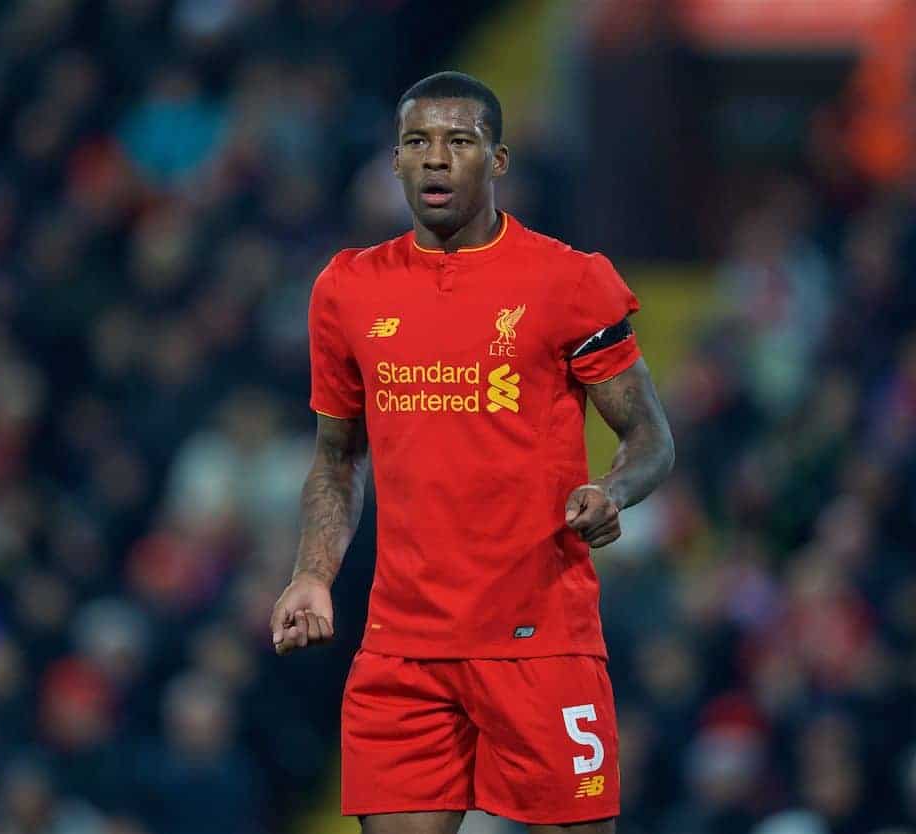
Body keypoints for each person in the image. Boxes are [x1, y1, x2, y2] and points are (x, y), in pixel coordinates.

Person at [269, 72, 675, 834]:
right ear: (394, 161)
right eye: (418, 143)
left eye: (459, 142)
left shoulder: (569, 281)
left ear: (498, 160)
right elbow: (336, 458)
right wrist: (312, 575)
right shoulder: (347, 290)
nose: (436, 160)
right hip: (404, 650)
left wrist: (612, 493)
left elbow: (650, 437)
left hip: (540, 640)